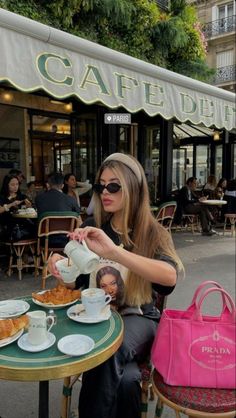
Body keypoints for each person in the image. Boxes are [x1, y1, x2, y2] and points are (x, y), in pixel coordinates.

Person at [48, 152, 184, 418]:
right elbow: (74, 282)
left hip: (139, 318)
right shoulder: (92, 226)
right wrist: (58, 264)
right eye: (101, 185)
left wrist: (114, 252)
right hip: (96, 319)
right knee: (127, 379)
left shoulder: (152, 232)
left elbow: (169, 278)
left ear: (133, 188)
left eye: (114, 185)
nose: (104, 192)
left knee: (111, 346)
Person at [0, 174, 33, 240]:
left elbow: (29, 208)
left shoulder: (22, 196)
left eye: (17, 184)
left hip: (22, 224)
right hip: (8, 226)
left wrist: (28, 205)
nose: (15, 187)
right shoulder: (2, 197)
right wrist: (11, 204)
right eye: (12, 185)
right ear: (6, 185)